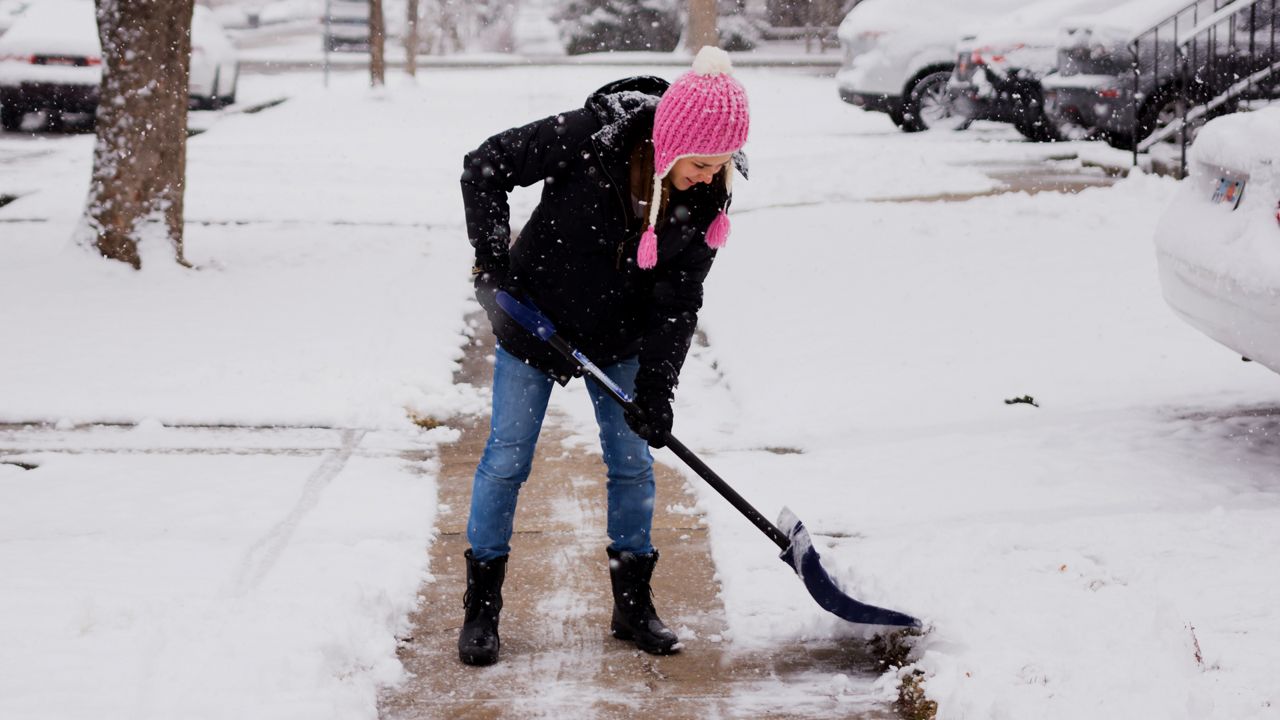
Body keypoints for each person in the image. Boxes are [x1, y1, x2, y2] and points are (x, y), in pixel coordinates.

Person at [456, 46, 750, 667]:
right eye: (699, 163)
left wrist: (658, 389)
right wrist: (492, 260)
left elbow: (679, 301)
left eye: (721, 166)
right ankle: (481, 610)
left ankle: (633, 605)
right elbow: (485, 165)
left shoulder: (706, 199)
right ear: (670, 145)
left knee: (632, 463)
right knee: (507, 461)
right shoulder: (589, 139)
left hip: (620, 339)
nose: (708, 176)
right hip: (534, 321)